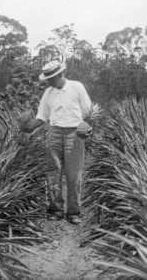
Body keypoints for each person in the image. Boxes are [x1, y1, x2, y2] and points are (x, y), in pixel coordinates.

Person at [20, 59, 92, 225]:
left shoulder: (77, 87)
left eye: (52, 78)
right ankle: (55, 210)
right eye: (47, 79)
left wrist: (87, 127)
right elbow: (42, 117)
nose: (49, 81)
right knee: (53, 173)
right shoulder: (48, 93)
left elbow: (88, 111)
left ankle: (73, 212)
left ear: (61, 74)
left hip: (75, 133)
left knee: (74, 175)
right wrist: (27, 127)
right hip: (54, 133)